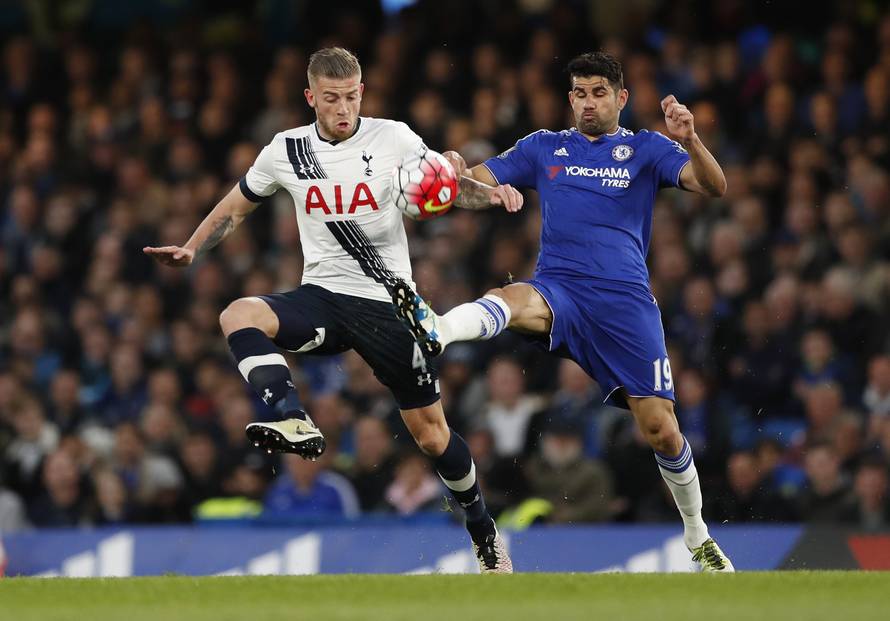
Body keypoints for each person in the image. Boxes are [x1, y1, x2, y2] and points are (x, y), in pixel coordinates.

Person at [143, 47, 513, 572]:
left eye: (352, 96)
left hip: (390, 305)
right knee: (237, 314)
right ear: (310, 97)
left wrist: (490, 195)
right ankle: (293, 418)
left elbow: (446, 188)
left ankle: (482, 530)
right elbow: (234, 208)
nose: (343, 108)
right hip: (322, 296)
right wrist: (192, 247)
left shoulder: (395, 138)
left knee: (431, 435)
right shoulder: (285, 150)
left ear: (362, 92)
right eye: (332, 98)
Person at [393, 51, 734, 571]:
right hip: (562, 291)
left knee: (662, 429)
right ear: (569, 98)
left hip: (625, 305)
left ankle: (697, 537)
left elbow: (714, 186)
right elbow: (473, 187)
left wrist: (690, 139)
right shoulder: (543, 147)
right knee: (512, 299)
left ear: (620, 98)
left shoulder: (646, 149)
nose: (588, 102)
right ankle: (437, 329)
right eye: (580, 92)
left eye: (599, 92)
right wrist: (454, 175)